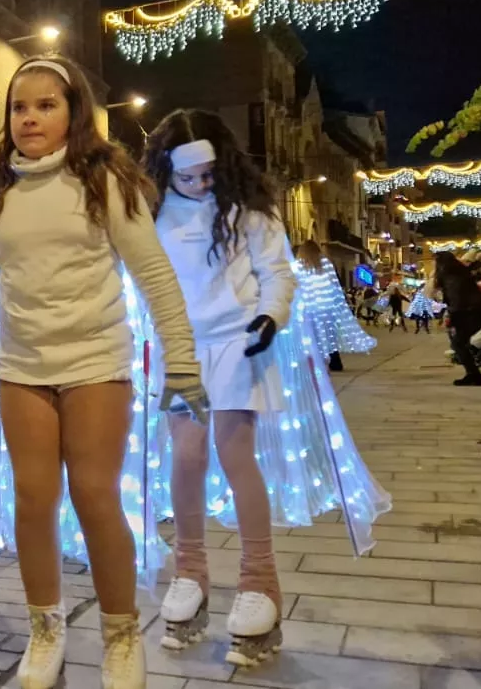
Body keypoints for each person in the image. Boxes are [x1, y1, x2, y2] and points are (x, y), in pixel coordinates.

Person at [0, 56, 205, 689]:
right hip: (22, 366)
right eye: (19, 107)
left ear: (74, 112)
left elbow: (154, 274)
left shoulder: (103, 181)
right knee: (33, 501)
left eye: (46, 105)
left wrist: (183, 361)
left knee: (94, 495)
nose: (29, 118)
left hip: (95, 363)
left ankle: (120, 635)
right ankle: (45, 630)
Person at [144, 109, 296, 668]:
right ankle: (190, 571)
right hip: (179, 346)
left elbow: (277, 272)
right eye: (188, 176)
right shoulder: (150, 211)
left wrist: (270, 315)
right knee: (186, 457)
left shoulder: (247, 208)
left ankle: (260, 580)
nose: (199, 184)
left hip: (237, 341)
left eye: (208, 174)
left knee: (236, 457)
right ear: (168, 169)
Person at [294, 240, 375, 372]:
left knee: (312, 335)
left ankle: (314, 362)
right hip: (326, 307)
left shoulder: (298, 266)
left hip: (308, 308)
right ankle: (335, 362)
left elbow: (295, 286)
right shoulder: (325, 263)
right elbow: (334, 285)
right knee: (329, 336)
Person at [435, 251, 481, 387]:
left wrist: (452, 315)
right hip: (472, 312)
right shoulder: (459, 273)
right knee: (461, 343)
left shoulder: (451, 277)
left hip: (466, 314)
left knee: (458, 344)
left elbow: (456, 299)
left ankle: (474, 375)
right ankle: (473, 374)